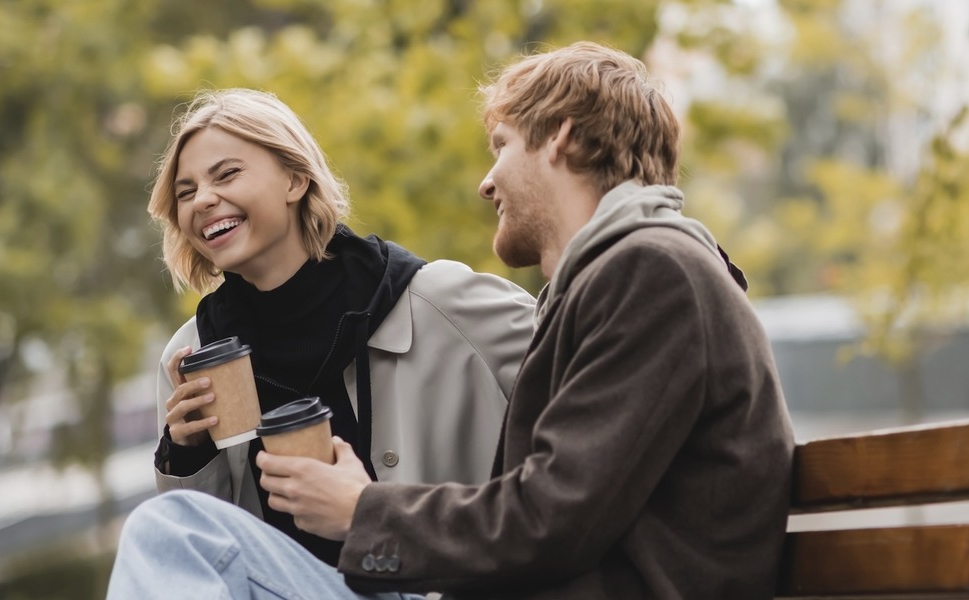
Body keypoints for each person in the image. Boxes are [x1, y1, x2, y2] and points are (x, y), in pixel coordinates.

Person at [110, 42, 794, 599]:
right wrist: (186, 451)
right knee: (177, 529)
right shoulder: (617, 281)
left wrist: (360, 511)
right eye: (187, 190)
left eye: (501, 146)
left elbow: (552, 517)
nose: (486, 180)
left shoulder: (650, 274)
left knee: (173, 533)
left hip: (423, 580)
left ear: (559, 141)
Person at [146, 88, 536, 565]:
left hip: (441, 584)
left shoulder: (441, 301)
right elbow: (201, 556)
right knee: (151, 529)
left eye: (226, 174)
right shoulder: (192, 355)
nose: (203, 200)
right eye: (185, 193)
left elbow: (594, 392)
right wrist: (184, 455)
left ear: (295, 180)